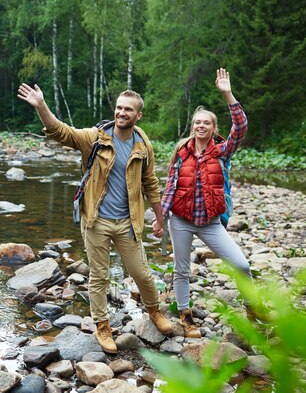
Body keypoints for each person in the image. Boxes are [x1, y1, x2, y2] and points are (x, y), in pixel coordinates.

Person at [17, 83, 172, 354]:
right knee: (99, 276)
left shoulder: (142, 143)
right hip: (96, 220)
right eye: (119, 108)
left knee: (142, 275)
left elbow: (150, 182)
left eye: (128, 109)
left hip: (127, 222)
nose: (122, 112)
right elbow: (60, 131)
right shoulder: (95, 137)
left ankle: (154, 311)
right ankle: (102, 325)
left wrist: (159, 219)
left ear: (138, 115)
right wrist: (41, 106)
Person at [158, 68, 252, 338]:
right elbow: (170, 187)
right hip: (181, 221)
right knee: (181, 270)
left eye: (206, 123)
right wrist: (160, 218)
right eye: (197, 122)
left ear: (213, 128)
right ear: (193, 126)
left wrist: (227, 94)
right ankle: (186, 316)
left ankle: (252, 306)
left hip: (211, 223)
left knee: (242, 265)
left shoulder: (222, 151)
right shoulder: (181, 152)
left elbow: (241, 128)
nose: (201, 126)